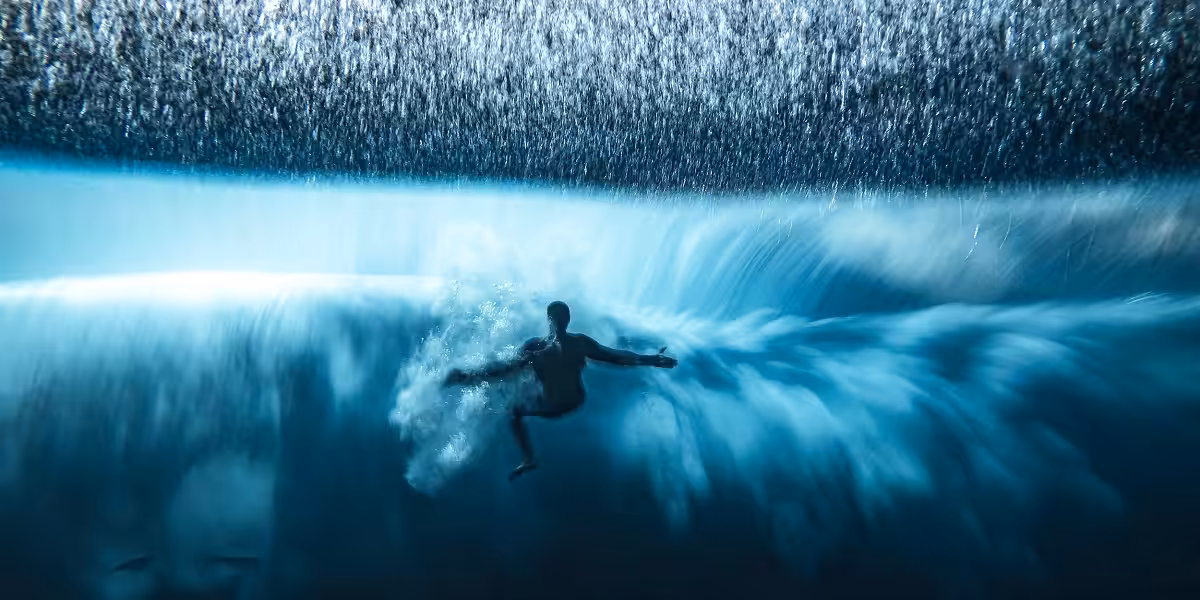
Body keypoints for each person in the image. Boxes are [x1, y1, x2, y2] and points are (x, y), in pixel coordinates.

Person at [443, 301, 678, 481]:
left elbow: (502, 371)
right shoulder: (575, 343)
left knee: (514, 409)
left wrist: (465, 377)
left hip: (554, 405)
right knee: (522, 386)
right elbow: (615, 357)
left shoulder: (537, 349)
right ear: (566, 320)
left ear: (551, 319)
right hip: (573, 401)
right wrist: (651, 359)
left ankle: (529, 458)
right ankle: (528, 454)